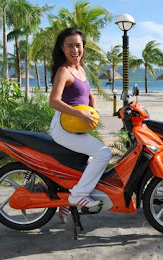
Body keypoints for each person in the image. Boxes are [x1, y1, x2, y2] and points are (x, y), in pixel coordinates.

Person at [49, 28, 112, 210]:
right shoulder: (64, 71)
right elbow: (54, 101)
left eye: (78, 45)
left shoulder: (80, 70)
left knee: (90, 160)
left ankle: (68, 194)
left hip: (76, 127)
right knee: (104, 153)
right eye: (70, 46)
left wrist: (94, 112)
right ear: (62, 48)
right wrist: (80, 114)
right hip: (62, 127)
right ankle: (78, 195)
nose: (75, 50)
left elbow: (90, 95)